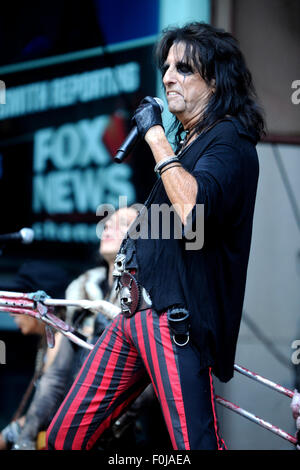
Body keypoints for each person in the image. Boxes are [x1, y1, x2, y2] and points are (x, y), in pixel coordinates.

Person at [46, 22, 265, 450]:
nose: (167, 77)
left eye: (184, 68)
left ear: (216, 79)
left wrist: (154, 135)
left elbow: (192, 211)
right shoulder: (187, 144)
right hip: (132, 314)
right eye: (166, 67)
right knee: (63, 436)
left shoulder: (230, 141)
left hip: (174, 320)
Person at [0, 261, 71, 450]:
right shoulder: (49, 342)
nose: (11, 310)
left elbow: (53, 410)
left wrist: (6, 437)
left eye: (19, 303)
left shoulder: (61, 342)